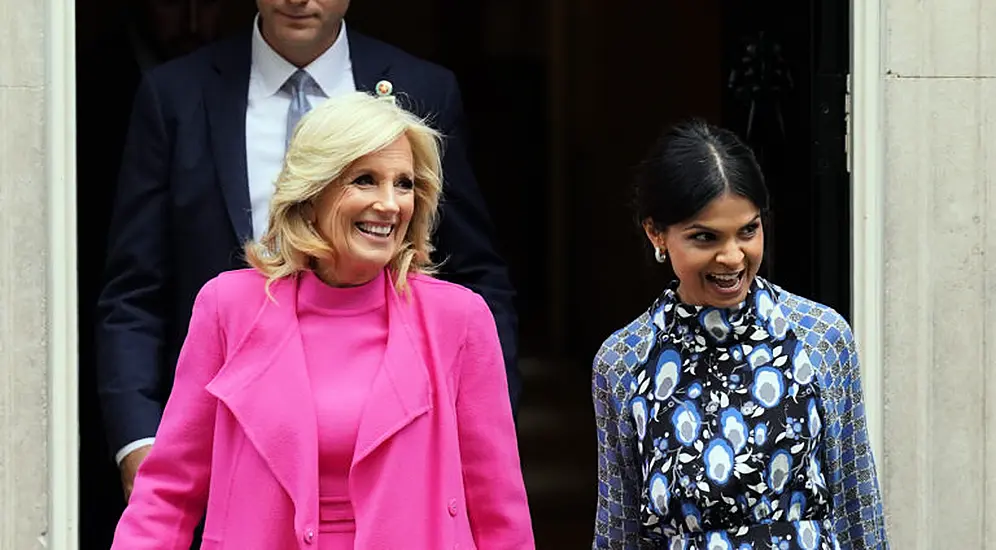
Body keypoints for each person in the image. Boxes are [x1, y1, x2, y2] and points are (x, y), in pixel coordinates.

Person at [96, 0, 519, 503]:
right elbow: (133, 291)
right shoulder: (175, 95)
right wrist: (140, 442)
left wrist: (475, 426)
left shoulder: (422, 88)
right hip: (223, 443)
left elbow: (472, 272)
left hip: (388, 451)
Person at [591, 120, 889, 549]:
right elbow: (617, 529)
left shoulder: (820, 337)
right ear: (656, 233)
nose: (732, 257)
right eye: (705, 237)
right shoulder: (625, 359)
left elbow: (858, 509)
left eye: (748, 231)